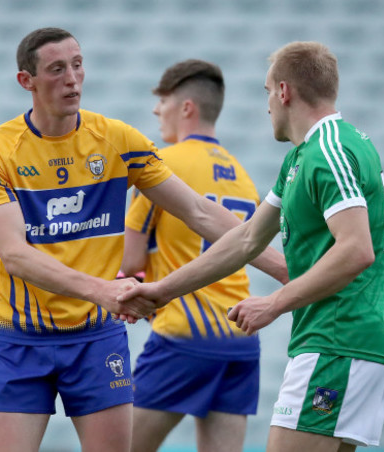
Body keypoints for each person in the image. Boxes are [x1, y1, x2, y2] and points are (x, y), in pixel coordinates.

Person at [0, 27, 287, 452]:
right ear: (27, 81)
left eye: (78, 65)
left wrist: (289, 272)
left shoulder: (118, 140)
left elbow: (199, 212)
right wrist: (104, 290)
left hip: (97, 336)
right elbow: (15, 255)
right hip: (19, 337)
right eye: (57, 69)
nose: (73, 79)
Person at [119, 41, 384, 452]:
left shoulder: (330, 150)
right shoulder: (300, 158)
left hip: (334, 340)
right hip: (317, 340)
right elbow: (245, 239)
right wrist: (160, 291)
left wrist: (275, 302)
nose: (266, 104)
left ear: (284, 92)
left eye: (267, 91)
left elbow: (356, 250)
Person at [120, 59, 288, 452]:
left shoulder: (159, 167)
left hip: (184, 335)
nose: (155, 111)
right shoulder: (241, 174)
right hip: (241, 337)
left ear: (186, 108)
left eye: (161, 102)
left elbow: (130, 265)